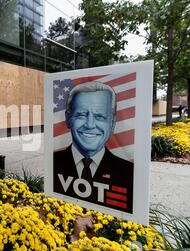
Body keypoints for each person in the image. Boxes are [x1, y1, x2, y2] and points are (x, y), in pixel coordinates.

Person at [53, 81, 133, 213]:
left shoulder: (130, 174)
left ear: (112, 123)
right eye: (81, 115)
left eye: (100, 116)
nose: (90, 124)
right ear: (68, 119)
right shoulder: (53, 163)